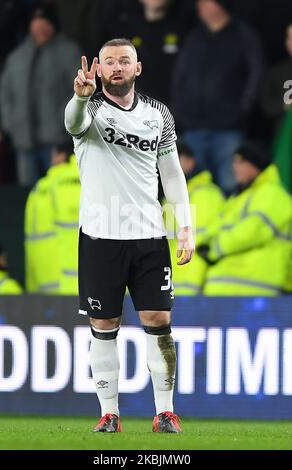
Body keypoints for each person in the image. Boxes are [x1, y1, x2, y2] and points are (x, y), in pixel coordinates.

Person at [64, 38, 194, 433]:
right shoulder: (89, 111)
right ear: (98, 70)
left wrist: (184, 226)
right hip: (101, 237)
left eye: (125, 61)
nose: (116, 67)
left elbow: (171, 174)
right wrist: (80, 98)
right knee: (104, 325)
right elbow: (72, 123)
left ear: (138, 68)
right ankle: (109, 413)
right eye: (109, 62)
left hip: (150, 237)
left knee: (159, 319)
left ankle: (165, 412)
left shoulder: (158, 115)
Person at [172, 0, 264, 194]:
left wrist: (242, 109)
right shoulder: (195, 37)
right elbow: (179, 76)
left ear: (219, 5)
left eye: (205, 2)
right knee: (191, 188)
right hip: (194, 126)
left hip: (228, 128)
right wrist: (181, 111)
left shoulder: (243, 35)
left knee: (231, 185)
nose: (199, 6)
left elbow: (256, 73)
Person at [0, 3, 81, 186]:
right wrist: (9, 124)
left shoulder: (69, 52)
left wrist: (65, 124)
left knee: (58, 190)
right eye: (36, 24)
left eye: (45, 24)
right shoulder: (17, 56)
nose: (40, 29)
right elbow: (4, 92)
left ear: (54, 26)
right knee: (27, 195)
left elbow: (78, 91)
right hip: (23, 142)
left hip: (57, 142)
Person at [199, 142, 292, 295]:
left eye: (240, 161)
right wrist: (203, 242)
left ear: (255, 164)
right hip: (227, 285)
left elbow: (253, 230)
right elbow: (217, 226)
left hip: (254, 287)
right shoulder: (239, 197)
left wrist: (214, 247)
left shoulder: (272, 193)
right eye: (234, 161)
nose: (235, 167)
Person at [164, 139, 224, 294]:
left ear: (190, 162)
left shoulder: (205, 193)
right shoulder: (170, 196)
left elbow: (202, 238)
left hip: (192, 278)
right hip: (171, 275)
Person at [24, 140, 80, 294]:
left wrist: (33, 289)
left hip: (55, 290)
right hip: (104, 289)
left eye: (53, 156)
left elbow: (33, 242)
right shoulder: (100, 180)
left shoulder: (41, 189)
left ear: (61, 157)